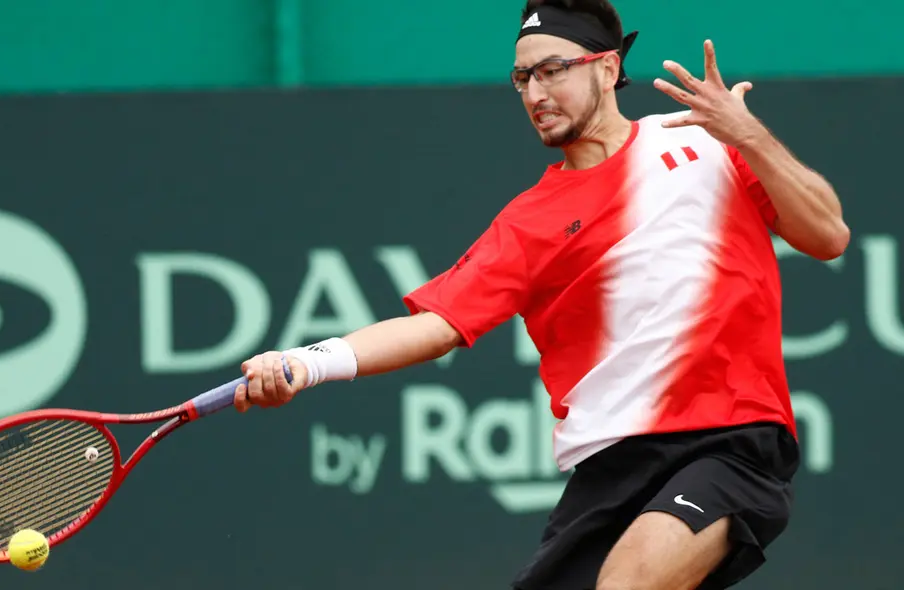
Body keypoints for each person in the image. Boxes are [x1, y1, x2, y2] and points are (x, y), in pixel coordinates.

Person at [232, 0, 850, 588]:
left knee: (632, 583)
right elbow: (436, 326)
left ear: (608, 68)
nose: (534, 94)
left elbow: (828, 235)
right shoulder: (529, 221)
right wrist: (306, 363)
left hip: (732, 441)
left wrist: (749, 137)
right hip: (610, 469)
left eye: (553, 71)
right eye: (522, 78)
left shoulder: (705, 141)